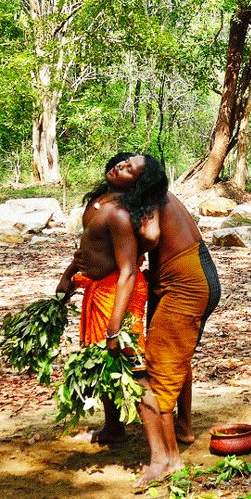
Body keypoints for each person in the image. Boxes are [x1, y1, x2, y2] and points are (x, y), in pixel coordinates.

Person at [56, 153, 166, 443]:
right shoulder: (100, 201)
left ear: (137, 184)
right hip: (98, 288)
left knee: (133, 367)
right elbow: (88, 248)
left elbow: (128, 270)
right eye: (124, 161)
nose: (120, 166)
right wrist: (69, 274)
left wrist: (115, 326)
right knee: (104, 361)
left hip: (119, 293)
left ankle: (162, 452)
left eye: (130, 169)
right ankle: (114, 428)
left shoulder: (118, 214)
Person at [135, 162, 221, 486]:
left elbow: (151, 235)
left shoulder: (148, 200)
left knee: (159, 370)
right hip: (197, 274)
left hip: (187, 282)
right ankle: (183, 427)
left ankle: (168, 459)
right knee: (175, 360)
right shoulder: (158, 196)